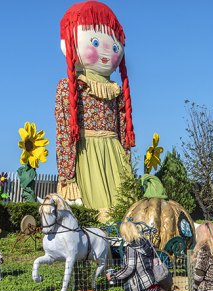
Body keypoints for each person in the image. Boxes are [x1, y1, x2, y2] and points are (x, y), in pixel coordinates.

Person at [56, 1, 135, 218]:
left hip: (114, 154)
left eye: (114, 45)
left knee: (126, 210)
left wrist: (126, 160)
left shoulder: (115, 90)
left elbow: (123, 133)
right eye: (95, 42)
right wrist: (67, 176)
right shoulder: (71, 86)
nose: (106, 51)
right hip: (86, 153)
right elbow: (65, 133)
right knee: (96, 212)